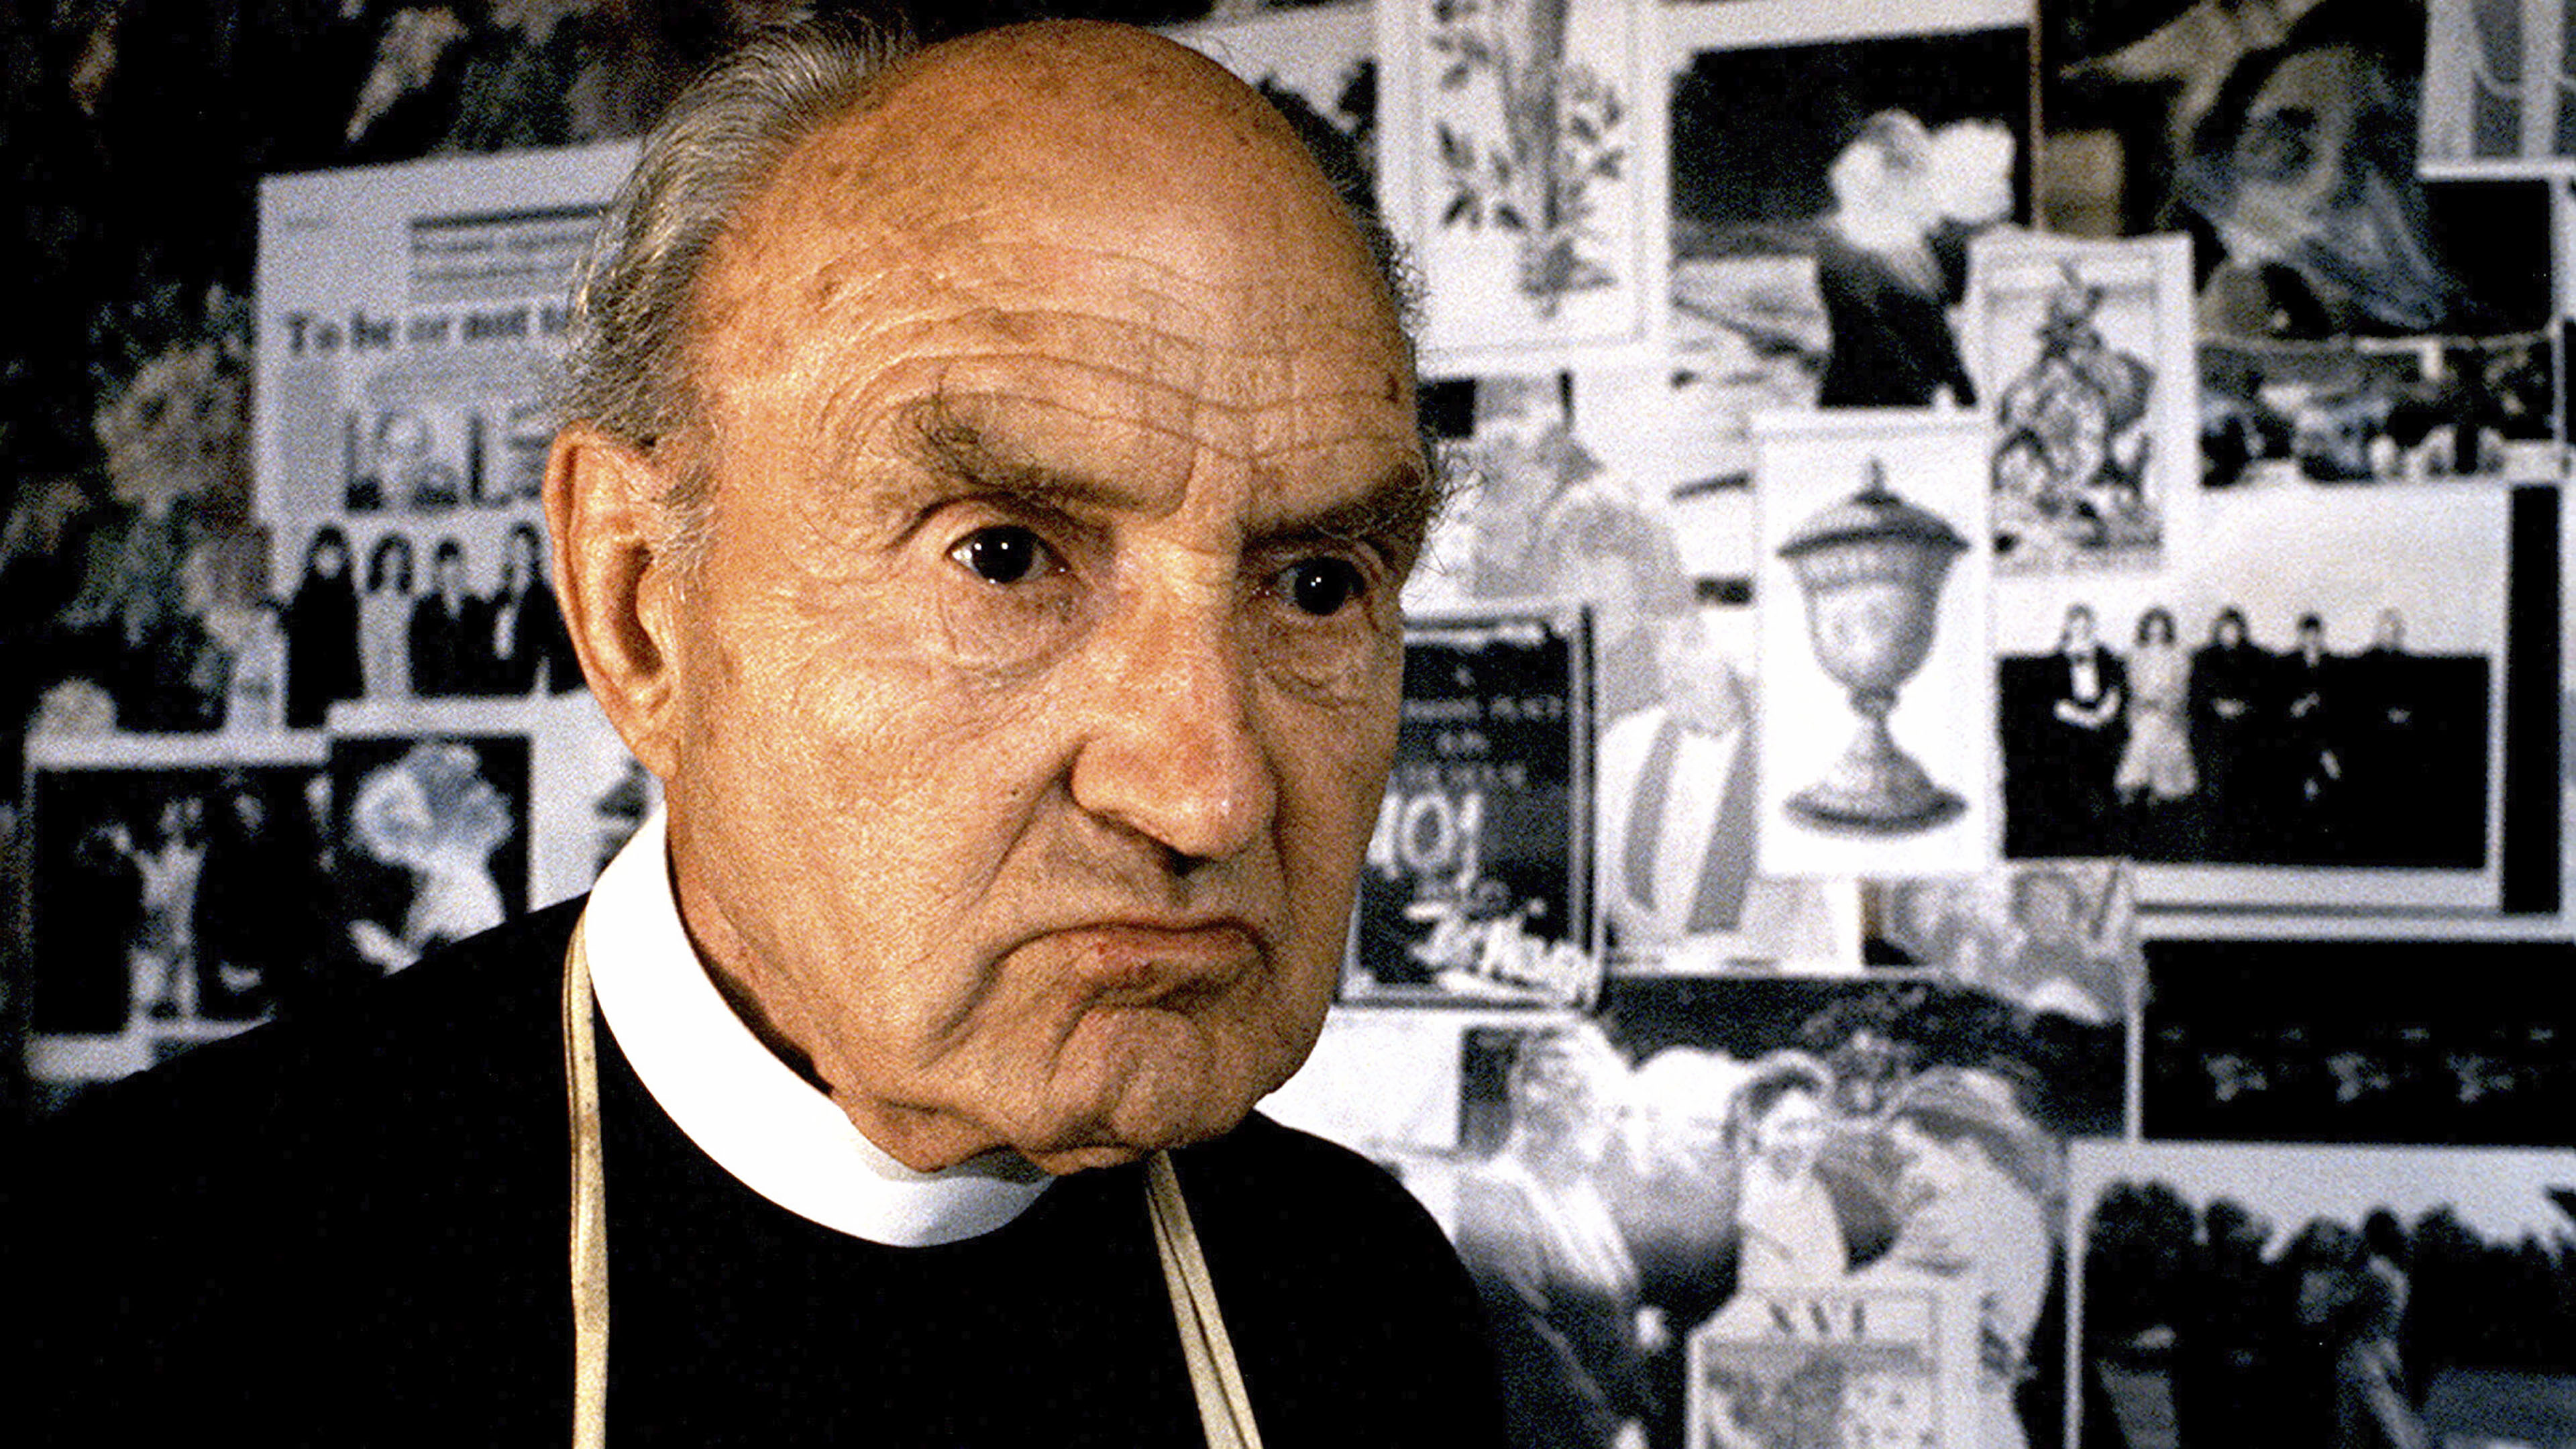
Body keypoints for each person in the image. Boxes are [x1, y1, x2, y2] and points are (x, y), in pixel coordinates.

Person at [13, 18, 1504, 1446]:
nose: (1207, 794)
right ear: (640, 607)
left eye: (1318, 584)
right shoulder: (133, 1295)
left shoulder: (1363, 1309)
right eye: (1002, 557)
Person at [1456, 1024, 1654, 1449]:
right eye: (1601, 1114)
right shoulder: (1497, 1192)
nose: (1611, 1131)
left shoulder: (1580, 1190)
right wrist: (1607, 1434)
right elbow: (1524, 1340)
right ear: (1555, 1117)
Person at [2188, 604, 2268, 859]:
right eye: (2225, 629)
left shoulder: (2256, 658)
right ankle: (2214, 845)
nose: (2230, 634)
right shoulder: (2203, 658)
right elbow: (2196, 698)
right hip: (2213, 731)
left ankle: (2245, 847)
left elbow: (2262, 695)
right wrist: (2217, 707)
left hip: (2247, 731)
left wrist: (2242, 707)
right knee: (2214, 785)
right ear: (2218, 631)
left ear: (2242, 631)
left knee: (2246, 787)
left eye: (2234, 630)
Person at [2114, 605, 2197, 841]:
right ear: (2146, 629)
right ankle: (2148, 795)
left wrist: (2165, 704)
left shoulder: (2179, 655)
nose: (2156, 632)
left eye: (2161, 628)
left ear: (2167, 630)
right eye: (2152, 627)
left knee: (2158, 732)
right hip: (2142, 712)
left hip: (2171, 714)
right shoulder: (2135, 655)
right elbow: (2134, 689)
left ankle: (2149, 790)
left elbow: (2181, 690)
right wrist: (2149, 702)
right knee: (2147, 728)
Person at [478, 521, 578, 694]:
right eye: (515, 550)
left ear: (533, 555)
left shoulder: (543, 597)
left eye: (524, 550)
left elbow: (552, 646)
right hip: (500, 684)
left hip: (532, 685)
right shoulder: (499, 599)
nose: (520, 556)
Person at [281, 524, 363, 728]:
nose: (329, 562)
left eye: (336, 557)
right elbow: (295, 654)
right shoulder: (301, 598)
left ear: (344, 560)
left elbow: (352, 651)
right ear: (313, 558)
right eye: (324, 556)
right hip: (307, 691)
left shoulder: (350, 599)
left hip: (343, 689)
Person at [358, 532, 415, 698]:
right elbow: (367, 648)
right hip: (375, 682)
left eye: (398, 562)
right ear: (380, 564)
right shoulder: (369, 603)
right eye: (389, 562)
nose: (393, 568)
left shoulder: (411, 603)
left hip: (406, 682)